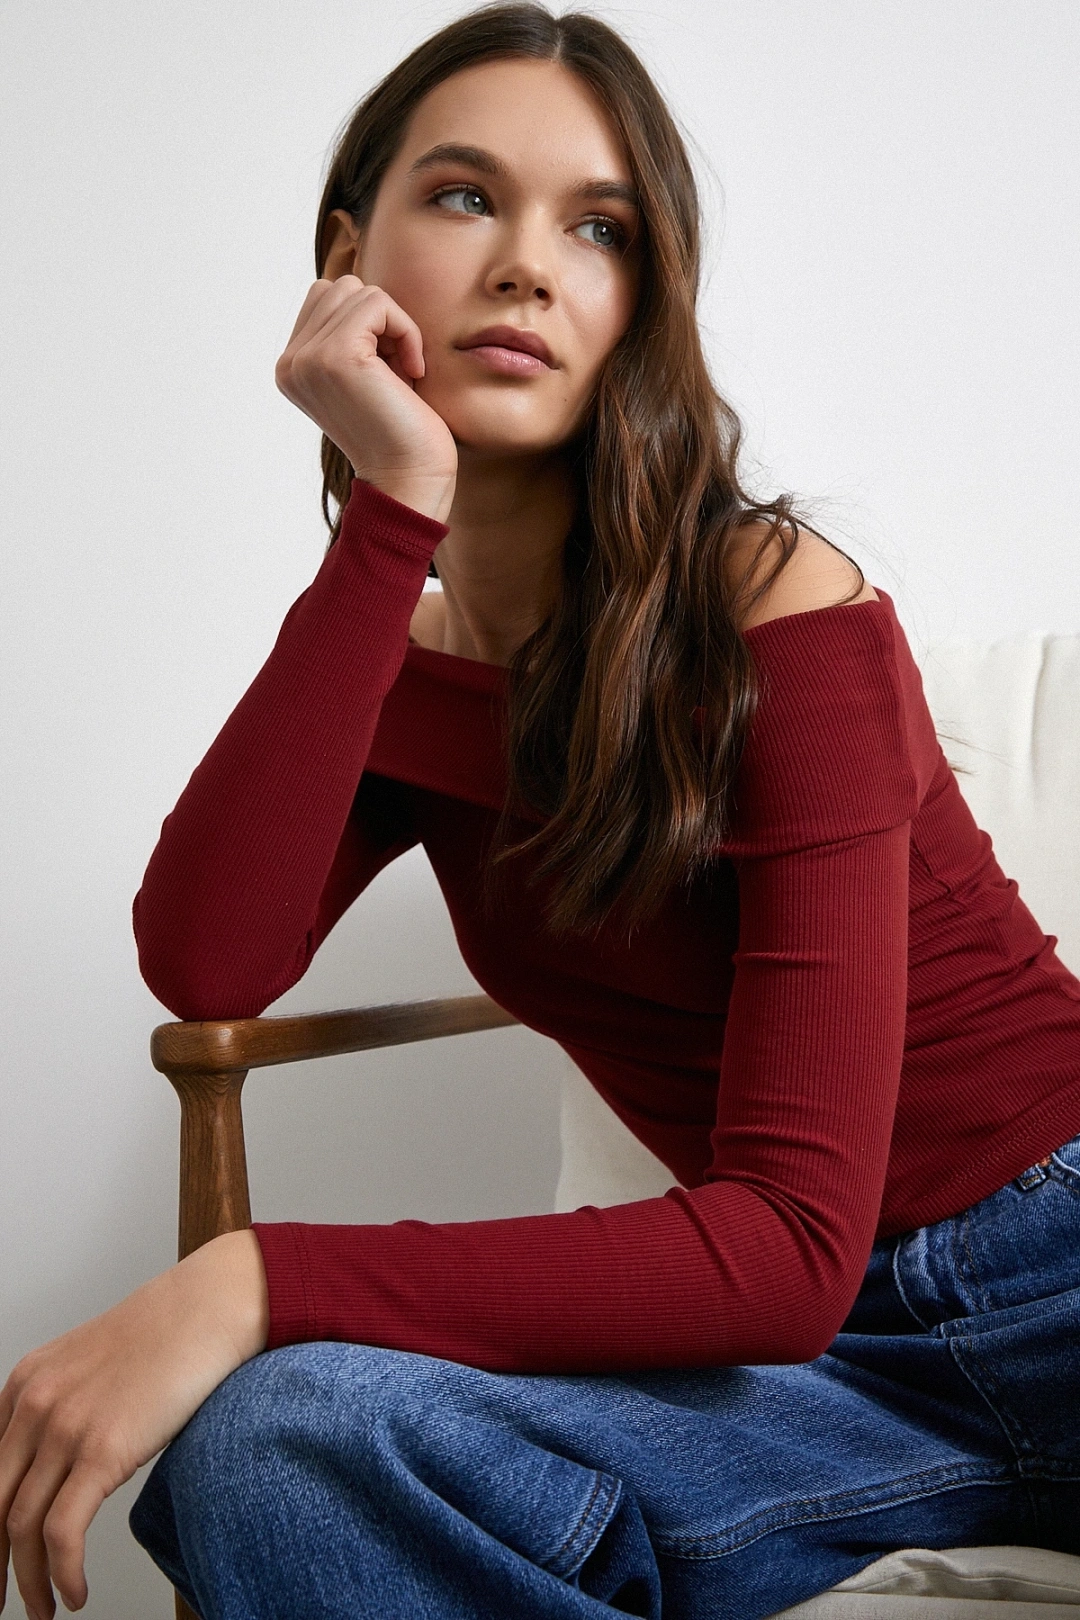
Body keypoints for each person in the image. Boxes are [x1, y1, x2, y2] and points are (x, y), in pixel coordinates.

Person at [4, 4, 1080, 1618]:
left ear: (644, 300)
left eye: (599, 228)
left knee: (269, 1374)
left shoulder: (779, 606)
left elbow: (786, 1244)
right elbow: (207, 963)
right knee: (274, 1446)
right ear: (346, 257)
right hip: (833, 1375)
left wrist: (260, 1277)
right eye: (463, 197)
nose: (526, 266)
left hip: (1049, 1268)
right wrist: (390, 515)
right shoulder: (398, 658)